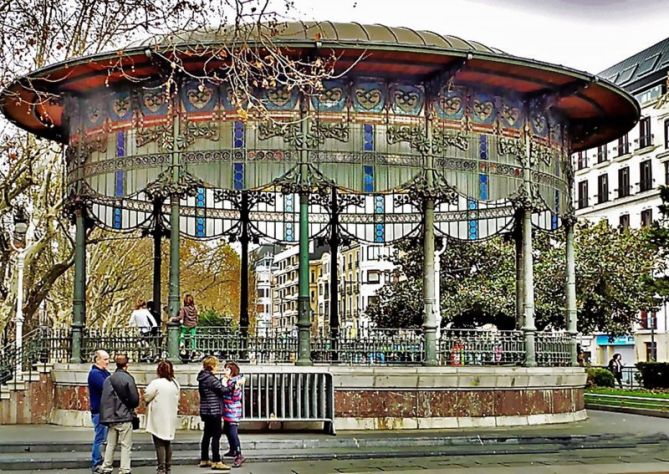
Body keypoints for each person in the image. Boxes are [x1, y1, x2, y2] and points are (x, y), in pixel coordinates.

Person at [99, 354, 140, 474]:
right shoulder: (128, 378)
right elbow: (134, 399)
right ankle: (124, 469)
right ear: (126, 365)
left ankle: (106, 466)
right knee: (125, 445)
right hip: (124, 416)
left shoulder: (108, 379)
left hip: (111, 417)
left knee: (111, 444)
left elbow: (105, 399)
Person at [197, 356, 236, 470]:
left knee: (207, 435)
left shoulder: (203, 378)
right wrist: (234, 384)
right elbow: (223, 390)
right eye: (216, 365)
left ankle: (204, 458)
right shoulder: (210, 379)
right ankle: (216, 460)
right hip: (214, 410)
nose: (217, 367)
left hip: (206, 410)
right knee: (216, 435)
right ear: (212, 366)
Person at [144, 360, 180, 474]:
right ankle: (168, 466)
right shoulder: (175, 383)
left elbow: (147, 396)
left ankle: (161, 467)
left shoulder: (156, 383)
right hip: (170, 415)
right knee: (167, 442)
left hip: (158, 416)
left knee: (159, 442)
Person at [87, 350, 111, 473]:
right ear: (97, 360)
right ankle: (96, 463)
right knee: (100, 438)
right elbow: (107, 387)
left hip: (105, 410)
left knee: (103, 438)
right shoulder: (95, 374)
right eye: (105, 359)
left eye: (108, 359)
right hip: (99, 411)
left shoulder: (104, 372)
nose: (108, 362)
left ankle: (102, 461)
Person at [222, 361, 245, 468]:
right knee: (227, 430)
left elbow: (235, 397)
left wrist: (233, 387)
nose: (224, 371)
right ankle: (232, 450)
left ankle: (239, 454)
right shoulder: (228, 381)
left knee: (232, 433)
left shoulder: (235, 383)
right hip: (227, 411)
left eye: (227, 369)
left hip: (233, 412)